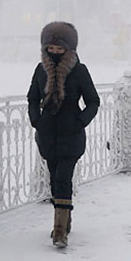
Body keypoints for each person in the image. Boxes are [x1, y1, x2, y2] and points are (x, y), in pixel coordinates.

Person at [27, 21, 100, 248]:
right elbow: (32, 98)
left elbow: (93, 101)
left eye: (60, 49)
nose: (55, 52)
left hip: (71, 134)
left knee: (63, 178)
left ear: (70, 48)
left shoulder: (79, 71)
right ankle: (65, 220)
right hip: (48, 134)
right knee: (54, 178)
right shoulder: (41, 70)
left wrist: (79, 122)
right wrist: (36, 120)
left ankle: (59, 231)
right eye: (51, 48)